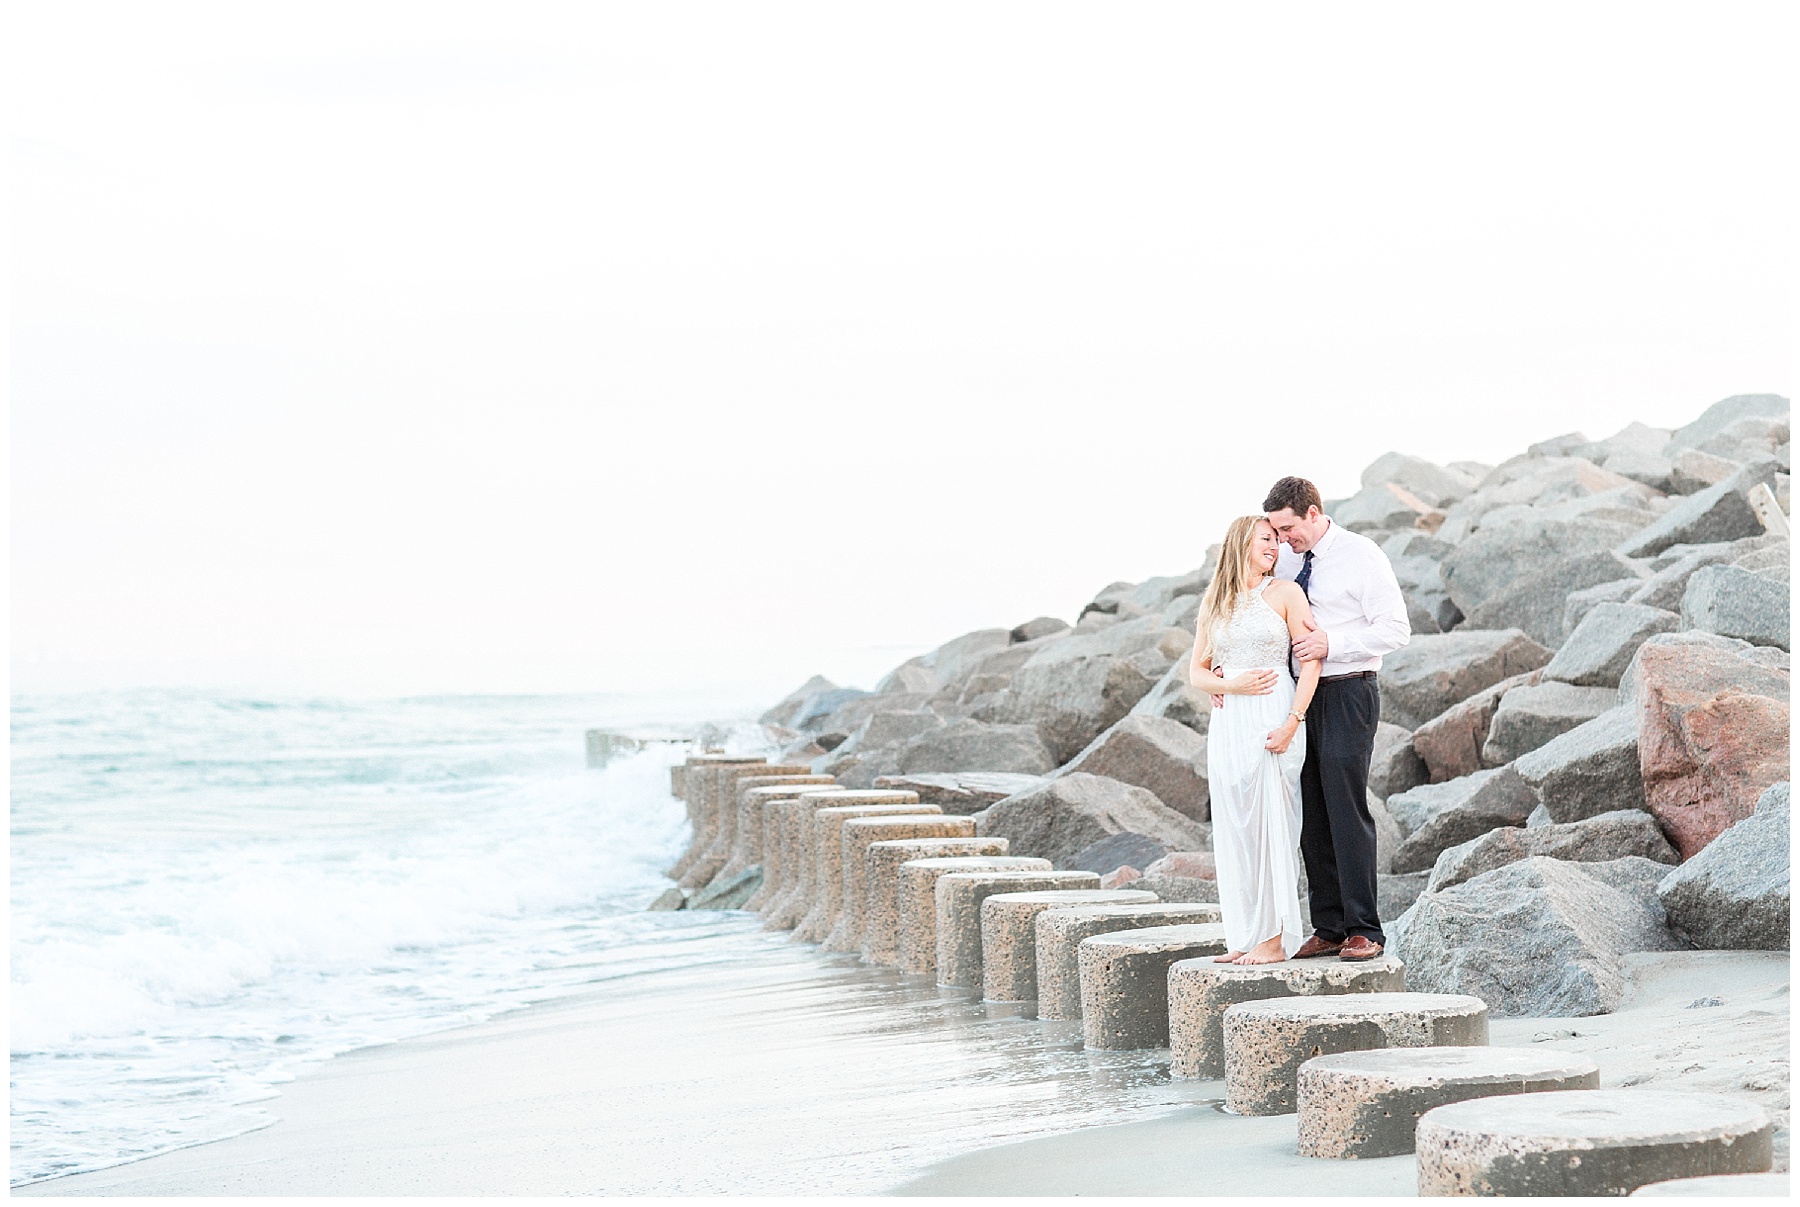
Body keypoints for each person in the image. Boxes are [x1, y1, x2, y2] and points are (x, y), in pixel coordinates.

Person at [1262, 475, 1411, 962]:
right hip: (1295, 697)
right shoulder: (1284, 556)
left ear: (1312, 512)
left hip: (1349, 690)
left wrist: (1333, 643)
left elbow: (1396, 629)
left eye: (1289, 528)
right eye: (1277, 531)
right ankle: (1327, 925)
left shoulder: (1361, 554)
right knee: (1311, 811)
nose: (1285, 540)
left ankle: (1364, 929)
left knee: (1347, 808)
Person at [1187, 515, 1322, 965]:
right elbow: (1197, 672)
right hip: (1230, 725)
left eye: (1277, 540)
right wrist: (1230, 687)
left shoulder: (1286, 593)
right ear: (1242, 543)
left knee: (1274, 825)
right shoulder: (1216, 601)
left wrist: (1292, 722)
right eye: (1266, 539)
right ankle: (1244, 936)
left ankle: (1275, 939)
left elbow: (1311, 664)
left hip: (1274, 716)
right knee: (1238, 826)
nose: (1275, 547)